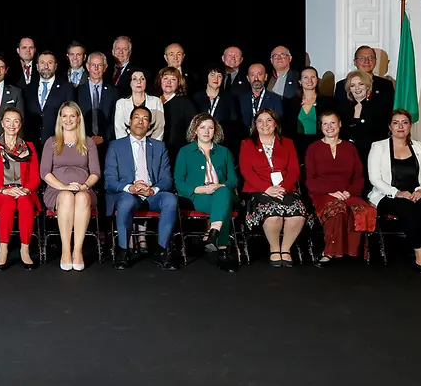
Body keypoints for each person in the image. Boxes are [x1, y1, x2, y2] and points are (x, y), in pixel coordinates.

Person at [105, 106, 179, 271]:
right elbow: (109, 181)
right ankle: (124, 251)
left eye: (145, 118)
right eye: (136, 117)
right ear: (130, 122)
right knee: (125, 203)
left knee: (170, 200)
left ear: (149, 125)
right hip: (128, 194)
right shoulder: (116, 146)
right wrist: (130, 188)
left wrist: (152, 190)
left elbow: (167, 179)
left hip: (152, 194)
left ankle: (162, 251)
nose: (140, 121)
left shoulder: (159, 147)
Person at [240, 108, 309, 267]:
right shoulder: (247, 144)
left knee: (298, 214)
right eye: (260, 121)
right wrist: (267, 188)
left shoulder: (287, 143)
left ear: (276, 124)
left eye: (269, 120)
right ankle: (274, 248)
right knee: (274, 215)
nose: (265, 124)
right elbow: (246, 170)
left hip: (285, 188)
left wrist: (283, 187)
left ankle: (285, 248)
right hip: (259, 190)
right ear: (255, 125)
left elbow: (294, 170)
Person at [304, 110, 374, 266]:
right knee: (337, 208)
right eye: (325, 123)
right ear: (320, 127)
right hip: (323, 193)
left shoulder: (350, 148)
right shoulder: (313, 148)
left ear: (340, 124)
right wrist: (331, 191)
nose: (329, 127)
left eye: (333, 123)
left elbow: (359, 177)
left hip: (348, 192)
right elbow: (310, 180)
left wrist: (349, 192)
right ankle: (329, 252)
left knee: (362, 209)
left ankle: (352, 251)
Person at [368, 109, 421, 271]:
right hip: (388, 195)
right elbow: (375, 178)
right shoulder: (378, 147)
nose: (400, 126)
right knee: (407, 208)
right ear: (390, 126)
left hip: (416, 193)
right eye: (396, 123)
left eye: (404, 122)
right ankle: (418, 251)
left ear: (410, 126)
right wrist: (397, 192)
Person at [174, 113, 239, 272]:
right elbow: (178, 181)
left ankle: (213, 231)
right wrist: (199, 189)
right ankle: (222, 250)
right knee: (224, 204)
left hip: (221, 192)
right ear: (195, 130)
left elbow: (233, 181)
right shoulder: (185, 151)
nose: (206, 131)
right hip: (198, 196)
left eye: (210, 127)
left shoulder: (224, 152)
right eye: (202, 127)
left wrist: (218, 185)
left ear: (215, 131)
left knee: (223, 192)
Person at [40, 101, 101, 271]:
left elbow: (95, 172)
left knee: (81, 198)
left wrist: (84, 186)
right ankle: (66, 251)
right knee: (66, 197)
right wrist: (63, 187)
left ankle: (78, 250)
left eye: (72, 116)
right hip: (56, 190)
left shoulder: (88, 142)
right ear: (60, 119)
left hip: (84, 190)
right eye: (64, 116)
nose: (68, 120)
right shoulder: (51, 142)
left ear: (78, 119)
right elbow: (44, 172)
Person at [0, 107, 40, 270]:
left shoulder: (29, 147)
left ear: (20, 124)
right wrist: (3, 190)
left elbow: (35, 177)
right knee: (8, 204)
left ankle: (25, 249)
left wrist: (26, 190)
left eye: (16, 121)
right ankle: (3, 249)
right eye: (8, 120)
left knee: (25, 204)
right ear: (2, 123)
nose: (11, 125)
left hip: (23, 190)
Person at [282, 66, 337, 163]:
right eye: (305, 77)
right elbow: (287, 129)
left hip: (321, 146)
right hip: (297, 148)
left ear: (317, 80)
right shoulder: (290, 103)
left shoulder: (328, 102)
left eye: (313, 77)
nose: (309, 80)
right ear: (300, 81)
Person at [338, 70, 388, 171]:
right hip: (348, 155)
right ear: (349, 89)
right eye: (352, 85)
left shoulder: (378, 107)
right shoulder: (343, 108)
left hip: (371, 155)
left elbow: (381, 133)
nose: (357, 88)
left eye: (361, 84)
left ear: (368, 87)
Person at [24, 50, 75, 148]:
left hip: (57, 143)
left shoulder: (67, 88)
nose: (46, 66)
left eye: (50, 63)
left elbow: (71, 116)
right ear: (37, 66)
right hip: (31, 143)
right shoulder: (28, 88)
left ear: (55, 66)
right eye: (42, 63)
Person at [191, 64, 241, 152]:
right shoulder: (196, 98)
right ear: (206, 77)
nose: (216, 78)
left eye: (219, 76)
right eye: (212, 75)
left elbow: (234, 124)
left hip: (222, 144)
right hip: (198, 143)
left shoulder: (230, 99)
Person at [334, 45, 395, 113]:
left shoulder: (386, 85)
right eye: (362, 58)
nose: (367, 61)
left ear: (375, 61)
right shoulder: (342, 85)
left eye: (371, 57)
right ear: (355, 62)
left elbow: (390, 111)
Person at [155, 66, 197, 164]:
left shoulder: (186, 103)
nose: (168, 82)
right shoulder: (152, 101)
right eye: (165, 78)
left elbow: (192, 131)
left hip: (177, 153)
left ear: (178, 83)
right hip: (155, 151)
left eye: (173, 79)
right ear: (160, 81)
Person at [76, 51, 117, 148]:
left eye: (100, 65)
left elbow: (115, 119)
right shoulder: (77, 91)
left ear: (105, 67)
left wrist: (103, 138)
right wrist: (87, 138)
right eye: (93, 65)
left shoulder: (113, 92)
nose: (96, 68)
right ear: (87, 66)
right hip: (83, 143)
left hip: (107, 143)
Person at [113, 69, 165, 140]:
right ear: (130, 82)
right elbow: (119, 128)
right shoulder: (121, 103)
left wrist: (152, 145)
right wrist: (128, 146)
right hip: (127, 144)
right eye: (134, 79)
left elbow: (159, 127)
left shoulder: (156, 101)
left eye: (142, 79)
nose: (139, 82)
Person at [238, 63, 283, 130]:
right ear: (248, 78)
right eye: (252, 75)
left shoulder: (275, 99)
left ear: (266, 77)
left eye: (260, 74)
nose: (256, 78)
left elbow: (278, 123)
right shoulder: (241, 99)